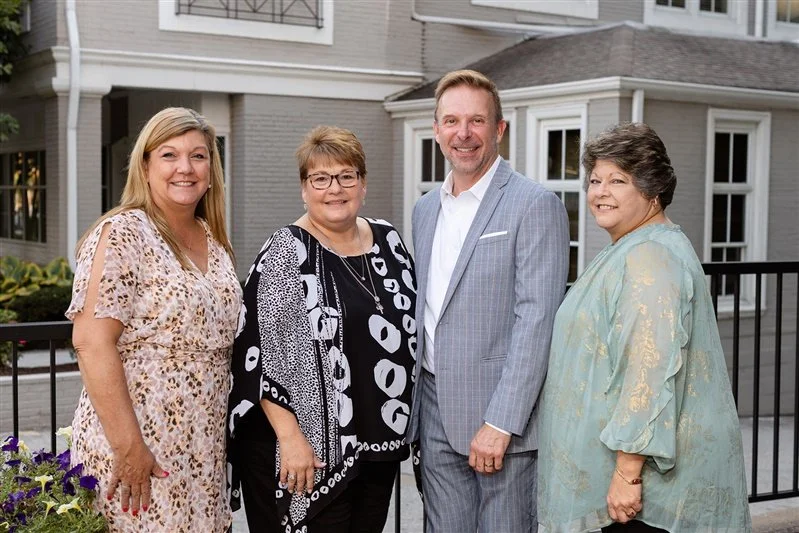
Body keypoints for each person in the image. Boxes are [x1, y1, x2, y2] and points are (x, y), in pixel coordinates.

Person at [537, 122, 752, 532]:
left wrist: (628, 473)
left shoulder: (650, 255)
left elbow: (649, 370)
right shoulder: (632, 246)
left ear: (652, 190)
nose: (600, 192)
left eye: (618, 180)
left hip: (647, 495)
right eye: (595, 180)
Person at [227, 125, 417, 533]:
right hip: (308, 449)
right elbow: (258, 357)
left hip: (378, 444)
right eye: (321, 179)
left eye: (347, 176)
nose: (335, 189)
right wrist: (291, 439)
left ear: (363, 184)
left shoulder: (389, 241)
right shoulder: (286, 252)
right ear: (304, 188)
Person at [407, 69, 570, 532]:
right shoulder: (425, 209)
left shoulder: (535, 204)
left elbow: (537, 319)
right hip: (433, 409)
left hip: (501, 419)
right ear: (436, 129)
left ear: (499, 129)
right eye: (452, 121)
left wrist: (501, 422)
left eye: (476, 121)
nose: (464, 133)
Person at [66, 107, 241, 532]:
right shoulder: (123, 233)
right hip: (139, 447)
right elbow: (91, 343)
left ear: (211, 170)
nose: (185, 168)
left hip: (203, 451)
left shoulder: (215, 241)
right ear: (145, 167)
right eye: (169, 155)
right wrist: (130, 448)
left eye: (198, 156)